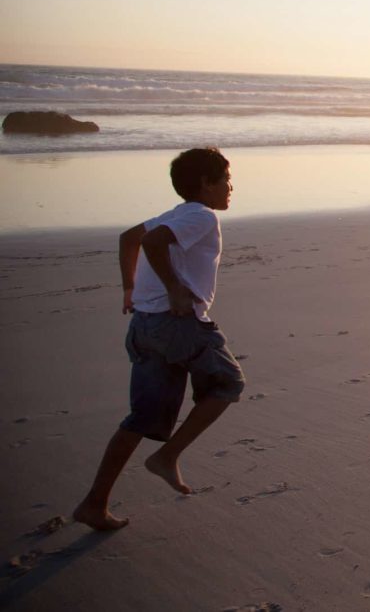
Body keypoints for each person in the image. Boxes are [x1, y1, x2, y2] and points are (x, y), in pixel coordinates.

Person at [73, 148, 244, 530]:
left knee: (143, 417)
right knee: (228, 382)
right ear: (206, 184)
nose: (231, 188)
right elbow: (149, 244)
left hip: (145, 326)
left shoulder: (175, 213)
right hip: (176, 324)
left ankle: (94, 504)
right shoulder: (200, 215)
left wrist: (129, 289)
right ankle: (167, 457)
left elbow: (129, 238)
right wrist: (174, 289)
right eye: (226, 181)